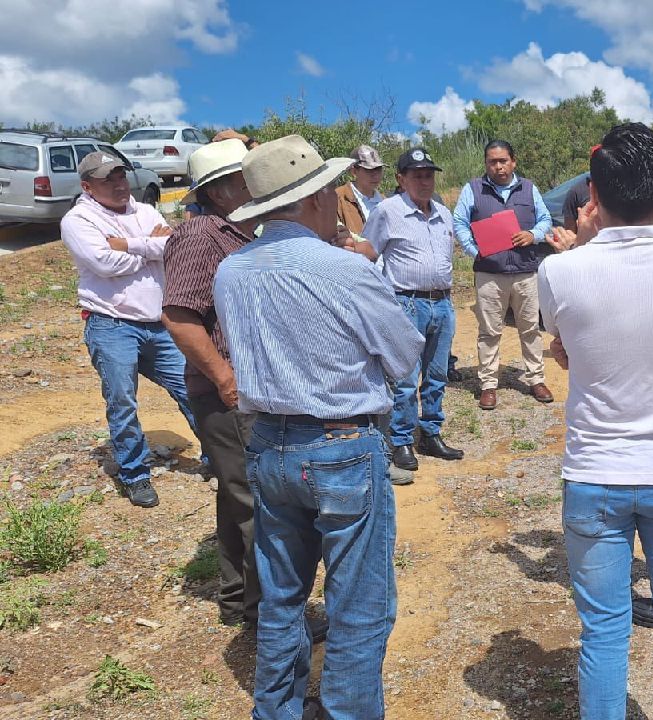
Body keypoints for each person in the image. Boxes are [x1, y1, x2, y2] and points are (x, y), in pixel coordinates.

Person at [213, 135, 423, 720]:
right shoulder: (344, 269)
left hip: (268, 445)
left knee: (282, 599)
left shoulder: (232, 272)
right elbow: (404, 355)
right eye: (331, 189)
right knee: (359, 608)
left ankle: (274, 710)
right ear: (313, 199)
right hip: (341, 446)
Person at [540, 122, 653, 719]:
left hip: (595, 471)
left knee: (604, 632)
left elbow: (564, 349)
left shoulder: (560, 271)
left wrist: (586, 242)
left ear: (592, 194)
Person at [61, 151, 199, 508]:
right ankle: (135, 474)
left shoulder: (145, 210)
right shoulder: (79, 220)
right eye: (109, 179)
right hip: (111, 324)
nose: (120, 183)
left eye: (121, 175)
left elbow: (174, 246)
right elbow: (104, 263)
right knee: (122, 400)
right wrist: (152, 248)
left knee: (193, 388)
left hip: (158, 322)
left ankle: (219, 457)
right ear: (88, 186)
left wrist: (130, 245)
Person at [162, 138, 263, 627]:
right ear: (221, 190)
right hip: (228, 395)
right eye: (246, 176)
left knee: (237, 493)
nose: (256, 183)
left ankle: (239, 599)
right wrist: (225, 378)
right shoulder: (202, 234)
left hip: (245, 391)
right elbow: (180, 316)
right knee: (256, 501)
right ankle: (268, 614)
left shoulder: (241, 231)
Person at [363, 147, 465, 472]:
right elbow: (368, 252)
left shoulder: (443, 213)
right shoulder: (387, 211)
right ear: (401, 179)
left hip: (443, 302)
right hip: (406, 302)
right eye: (417, 175)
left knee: (437, 375)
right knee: (405, 377)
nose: (424, 181)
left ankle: (431, 433)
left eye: (429, 175)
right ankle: (402, 440)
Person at [453, 140, 555, 410]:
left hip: (525, 272)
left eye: (502, 161)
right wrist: (474, 250)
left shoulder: (529, 189)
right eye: (492, 161)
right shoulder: (473, 189)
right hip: (489, 273)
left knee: (530, 328)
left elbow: (545, 220)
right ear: (486, 163)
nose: (498, 166)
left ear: (513, 162)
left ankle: (536, 379)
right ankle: (488, 384)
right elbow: (460, 222)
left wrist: (532, 235)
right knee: (489, 331)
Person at [335, 144, 385, 237]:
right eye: (369, 169)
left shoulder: (386, 202)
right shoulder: (337, 199)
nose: (375, 174)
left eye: (378, 169)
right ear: (354, 171)